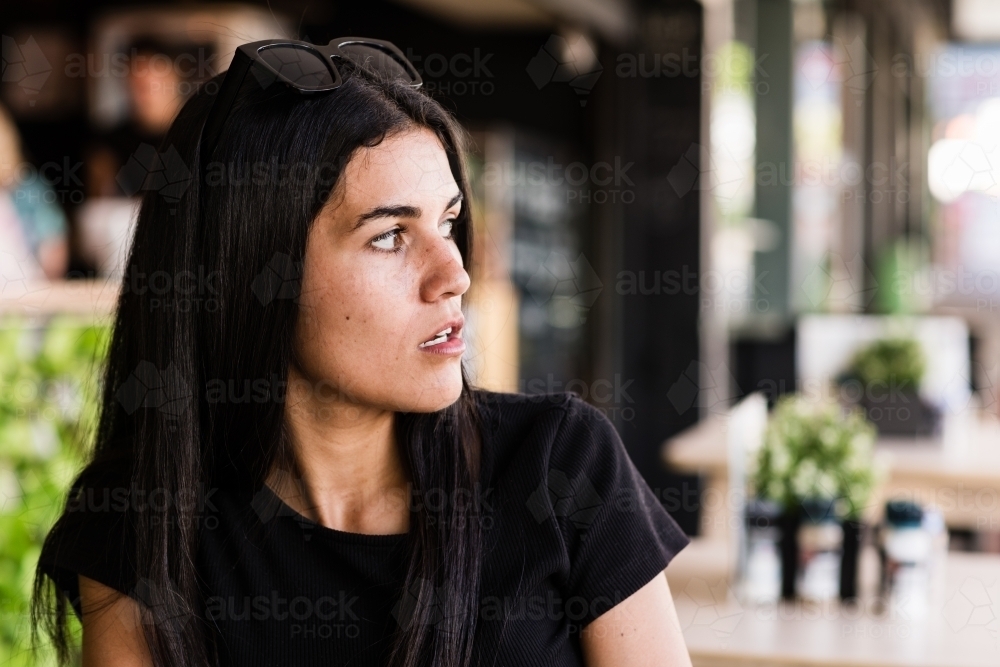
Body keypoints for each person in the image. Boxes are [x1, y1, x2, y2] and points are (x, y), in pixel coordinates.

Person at [30, 37, 691, 667]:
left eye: (448, 223)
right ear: (255, 275)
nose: (453, 274)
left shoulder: (560, 465)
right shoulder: (146, 520)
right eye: (389, 237)